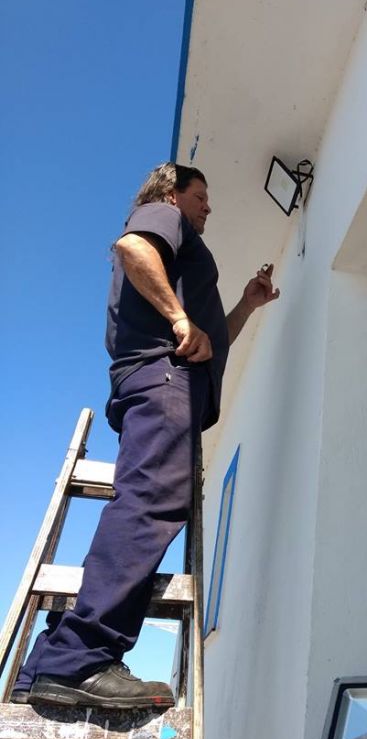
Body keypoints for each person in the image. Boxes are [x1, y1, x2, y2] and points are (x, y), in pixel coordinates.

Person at [11, 163, 279, 709]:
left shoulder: (181, 260)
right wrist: (179, 320)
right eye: (200, 196)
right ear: (171, 194)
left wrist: (246, 305)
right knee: (151, 502)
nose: (208, 206)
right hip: (165, 377)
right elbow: (133, 247)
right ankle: (79, 659)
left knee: (143, 502)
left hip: (169, 379)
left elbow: (212, 341)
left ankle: (47, 663)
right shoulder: (162, 215)